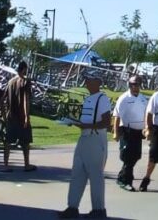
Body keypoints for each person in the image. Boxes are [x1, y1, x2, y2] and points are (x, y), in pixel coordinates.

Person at [59, 69, 112, 219]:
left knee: (96, 175)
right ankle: (72, 207)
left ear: (97, 82)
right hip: (84, 138)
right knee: (77, 173)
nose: (86, 82)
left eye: (89, 79)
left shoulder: (102, 99)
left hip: (95, 139)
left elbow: (106, 122)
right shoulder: (90, 98)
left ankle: (99, 210)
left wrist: (85, 126)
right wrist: (77, 123)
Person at [112, 74, 148, 191]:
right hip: (127, 130)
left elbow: (147, 115)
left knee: (136, 156)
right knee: (127, 156)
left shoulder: (143, 98)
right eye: (131, 84)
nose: (134, 86)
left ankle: (121, 177)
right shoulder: (124, 98)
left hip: (139, 132)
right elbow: (117, 116)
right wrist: (116, 133)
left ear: (140, 85)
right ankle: (126, 181)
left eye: (136, 84)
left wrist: (148, 128)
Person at [3, 61, 36, 172]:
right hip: (21, 116)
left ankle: (6, 165)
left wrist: (4, 114)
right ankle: (26, 164)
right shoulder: (25, 82)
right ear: (24, 69)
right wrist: (27, 116)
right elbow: (26, 100)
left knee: (8, 140)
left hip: (11, 116)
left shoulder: (10, 81)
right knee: (25, 142)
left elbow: (3, 99)